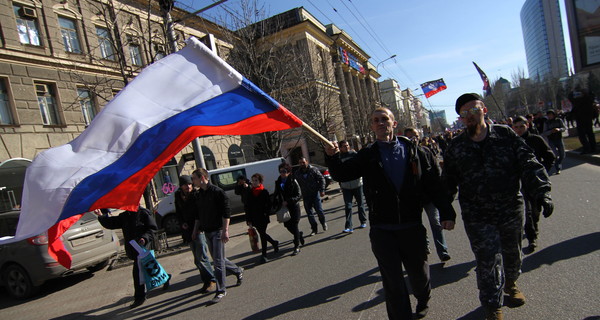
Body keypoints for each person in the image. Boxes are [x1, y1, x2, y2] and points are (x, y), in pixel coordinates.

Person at [325, 107, 457, 320]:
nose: (380, 123)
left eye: (384, 119)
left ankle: (423, 298)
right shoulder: (367, 155)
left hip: (412, 226)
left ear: (393, 123)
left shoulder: (416, 152)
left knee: (419, 276)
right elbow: (342, 173)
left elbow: (434, 186)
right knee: (393, 282)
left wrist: (447, 212)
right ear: (372, 126)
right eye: (375, 120)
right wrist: (332, 158)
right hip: (382, 230)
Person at [444, 93, 553, 320]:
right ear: (461, 119)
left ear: (483, 108)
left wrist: (542, 192)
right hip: (477, 214)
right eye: (464, 114)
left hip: (510, 208)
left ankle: (511, 284)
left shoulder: (505, 135)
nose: (470, 116)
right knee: (487, 259)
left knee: (512, 254)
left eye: (474, 109)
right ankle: (492, 305)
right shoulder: (456, 147)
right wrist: (446, 211)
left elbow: (529, 163)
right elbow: (447, 182)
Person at [94, 207, 171, 309]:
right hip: (133, 249)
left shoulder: (144, 213)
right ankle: (165, 278)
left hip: (143, 247)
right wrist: (101, 216)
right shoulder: (125, 215)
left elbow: (152, 228)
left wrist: (145, 238)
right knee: (150, 268)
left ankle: (139, 297)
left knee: (137, 272)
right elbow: (112, 223)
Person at [191, 168, 244, 305]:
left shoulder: (217, 192)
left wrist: (226, 230)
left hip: (218, 230)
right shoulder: (199, 194)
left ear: (202, 178)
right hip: (207, 231)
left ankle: (221, 290)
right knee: (217, 259)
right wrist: (195, 230)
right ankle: (237, 270)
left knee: (218, 262)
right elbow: (197, 215)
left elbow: (226, 212)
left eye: (194, 178)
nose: (193, 181)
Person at [403, 128, 451, 262]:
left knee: (435, 222)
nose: (414, 139)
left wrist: (439, 190)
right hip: (414, 198)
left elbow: (435, 172)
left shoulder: (426, 151)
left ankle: (443, 251)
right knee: (417, 225)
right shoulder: (403, 156)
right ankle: (425, 246)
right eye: (410, 137)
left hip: (429, 196)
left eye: (416, 136)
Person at [512, 116, 556, 252]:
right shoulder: (511, 142)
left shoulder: (536, 140)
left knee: (535, 211)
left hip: (534, 182)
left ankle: (533, 229)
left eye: (521, 126)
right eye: (516, 127)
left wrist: (542, 172)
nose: (519, 130)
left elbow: (550, 157)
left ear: (527, 125)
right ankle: (532, 239)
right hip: (519, 183)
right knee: (527, 211)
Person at [174, 175, 216, 293]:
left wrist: (198, 227)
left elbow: (201, 212)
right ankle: (206, 280)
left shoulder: (197, 195)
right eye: (185, 185)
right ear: (181, 186)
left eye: (189, 184)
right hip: (188, 231)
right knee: (197, 259)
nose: (188, 186)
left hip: (198, 229)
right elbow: (178, 213)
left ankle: (211, 280)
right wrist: (182, 223)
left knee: (202, 257)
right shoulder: (178, 197)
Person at [243, 173, 279, 263]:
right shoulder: (250, 193)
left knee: (262, 234)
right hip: (254, 218)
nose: (254, 182)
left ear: (260, 181)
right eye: (253, 180)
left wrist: (266, 212)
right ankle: (274, 243)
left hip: (263, 217)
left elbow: (269, 205)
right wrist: (248, 219)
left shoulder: (264, 192)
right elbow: (247, 207)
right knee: (262, 233)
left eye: (256, 180)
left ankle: (264, 255)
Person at [274, 162, 305, 256]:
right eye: (281, 171)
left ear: (288, 172)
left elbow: (299, 194)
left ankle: (296, 246)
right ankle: (299, 235)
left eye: (284, 171)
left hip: (294, 206)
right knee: (287, 225)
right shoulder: (278, 182)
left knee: (294, 225)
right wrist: (276, 203)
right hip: (284, 208)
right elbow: (276, 194)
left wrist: (289, 201)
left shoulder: (293, 180)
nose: (282, 173)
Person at [338, 140, 367, 233]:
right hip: (346, 186)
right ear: (340, 148)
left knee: (360, 204)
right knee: (348, 206)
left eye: (347, 145)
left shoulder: (354, 154)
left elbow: (361, 166)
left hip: (357, 183)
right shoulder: (339, 158)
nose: (346, 147)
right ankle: (349, 226)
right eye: (344, 146)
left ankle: (363, 221)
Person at [294, 157, 327, 236]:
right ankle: (314, 229)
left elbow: (322, 179)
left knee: (319, 211)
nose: (302, 164)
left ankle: (323, 222)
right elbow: (295, 185)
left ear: (307, 162)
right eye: (300, 163)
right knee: (310, 213)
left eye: (303, 162)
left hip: (315, 194)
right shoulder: (297, 173)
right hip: (306, 195)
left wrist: (322, 190)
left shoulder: (313, 170)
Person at [568, 86, 598, 154]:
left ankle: (587, 148)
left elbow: (570, 98)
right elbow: (592, 96)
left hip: (581, 118)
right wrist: (587, 92)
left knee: (583, 134)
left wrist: (572, 92)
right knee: (589, 133)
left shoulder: (577, 100)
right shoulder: (588, 98)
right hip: (586, 117)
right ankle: (592, 148)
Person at [541, 109, 566, 175]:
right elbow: (544, 133)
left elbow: (564, 128)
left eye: (551, 115)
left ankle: (559, 163)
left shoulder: (559, 120)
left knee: (562, 155)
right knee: (555, 155)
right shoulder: (546, 123)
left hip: (559, 139)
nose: (550, 116)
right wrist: (551, 131)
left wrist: (559, 129)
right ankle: (558, 168)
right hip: (551, 140)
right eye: (548, 115)